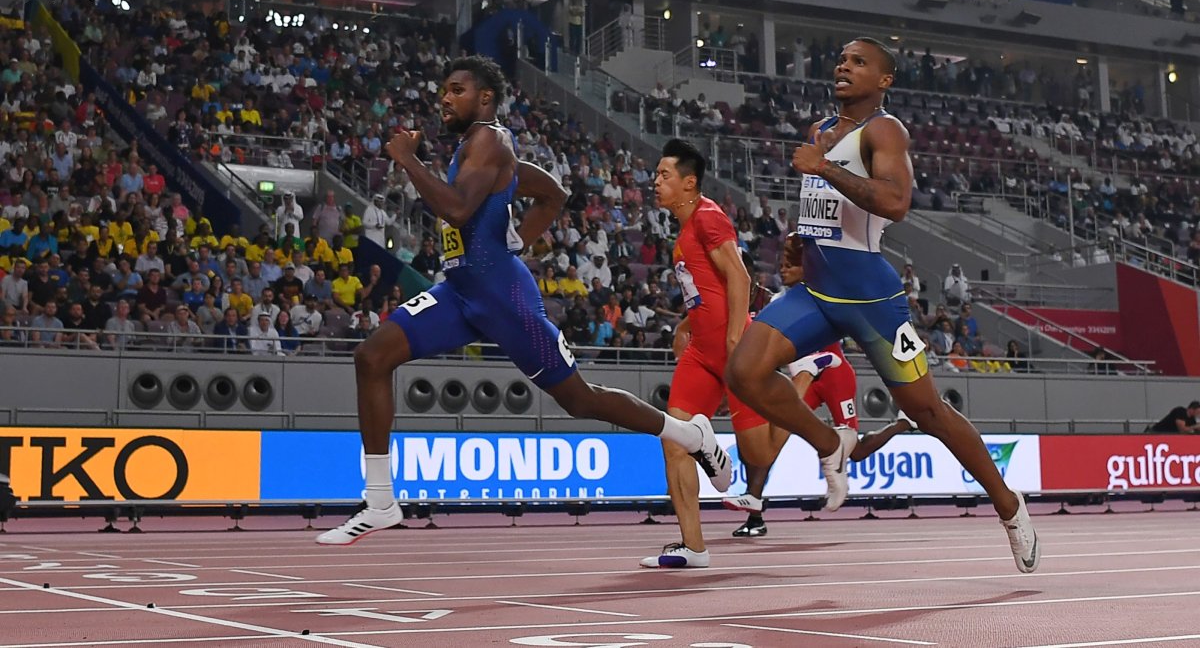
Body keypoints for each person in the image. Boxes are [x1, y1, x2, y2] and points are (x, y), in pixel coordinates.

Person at [317, 56, 730, 546]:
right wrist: (515, 242)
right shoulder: (477, 149)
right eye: (443, 90)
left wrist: (407, 159)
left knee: (580, 400)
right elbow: (553, 194)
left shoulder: (490, 139)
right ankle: (380, 500)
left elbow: (455, 207)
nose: (444, 99)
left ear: (484, 99)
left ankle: (691, 436)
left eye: (455, 90)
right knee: (372, 356)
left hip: (504, 299)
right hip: (460, 291)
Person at [725, 37, 1038, 574]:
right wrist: (802, 241)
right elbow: (828, 211)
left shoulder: (884, 130)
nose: (843, 65)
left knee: (928, 412)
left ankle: (1009, 506)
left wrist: (822, 169)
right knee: (744, 371)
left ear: (884, 81)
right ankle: (832, 443)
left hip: (872, 298)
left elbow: (895, 203)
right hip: (817, 291)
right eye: (841, 58)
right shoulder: (822, 131)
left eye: (859, 62)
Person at [726, 236, 917, 537]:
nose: (783, 269)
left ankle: (902, 423)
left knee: (852, 452)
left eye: (791, 265)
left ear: (807, 269)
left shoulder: (823, 295)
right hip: (805, 375)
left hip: (834, 372)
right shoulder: (778, 303)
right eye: (782, 264)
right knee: (776, 435)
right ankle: (754, 501)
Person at [639, 139, 772, 569]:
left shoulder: (709, 216)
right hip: (701, 353)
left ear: (689, 182)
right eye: (655, 174)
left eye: (664, 175)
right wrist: (684, 326)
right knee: (672, 439)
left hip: (735, 351)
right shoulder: (682, 232)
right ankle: (694, 546)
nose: (654, 181)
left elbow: (739, 276)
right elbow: (703, 292)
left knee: (759, 453)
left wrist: (735, 339)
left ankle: (812, 422)